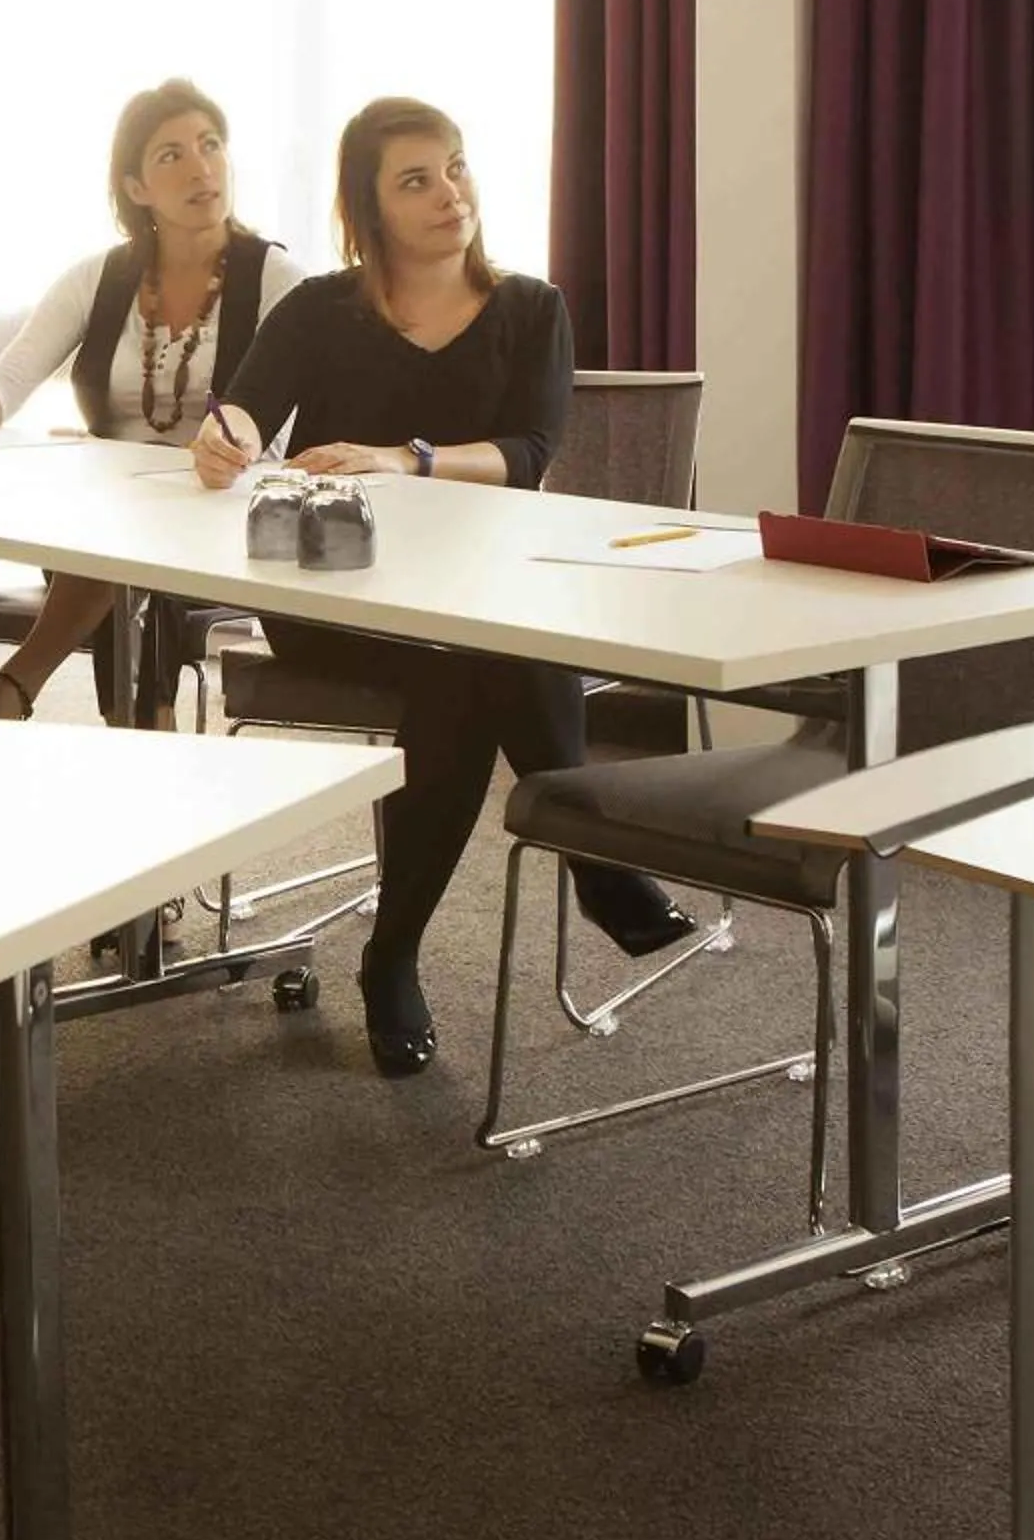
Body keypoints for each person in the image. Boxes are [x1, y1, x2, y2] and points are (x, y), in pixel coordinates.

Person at [192, 96, 691, 1075]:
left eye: (455, 167)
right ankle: (594, 858)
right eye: (416, 180)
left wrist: (406, 458)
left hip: (474, 590)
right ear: (370, 208)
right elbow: (245, 409)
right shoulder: (321, 309)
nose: (449, 193)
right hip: (335, 593)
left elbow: (529, 451)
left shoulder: (532, 309)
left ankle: (394, 954)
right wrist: (229, 438)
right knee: (484, 656)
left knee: (472, 660)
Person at [0, 79, 299, 722]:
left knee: (124, 541)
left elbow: (277, 431)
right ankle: (138, 727)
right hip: (104, 522)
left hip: (228, 508)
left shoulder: (278, 280)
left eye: (211, 145)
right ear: (136, 188)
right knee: (119, 536)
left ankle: (21, 687)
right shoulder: (100, 277)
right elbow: (5, 382)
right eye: (172, 154)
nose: (201, 167)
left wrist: (229, 452)